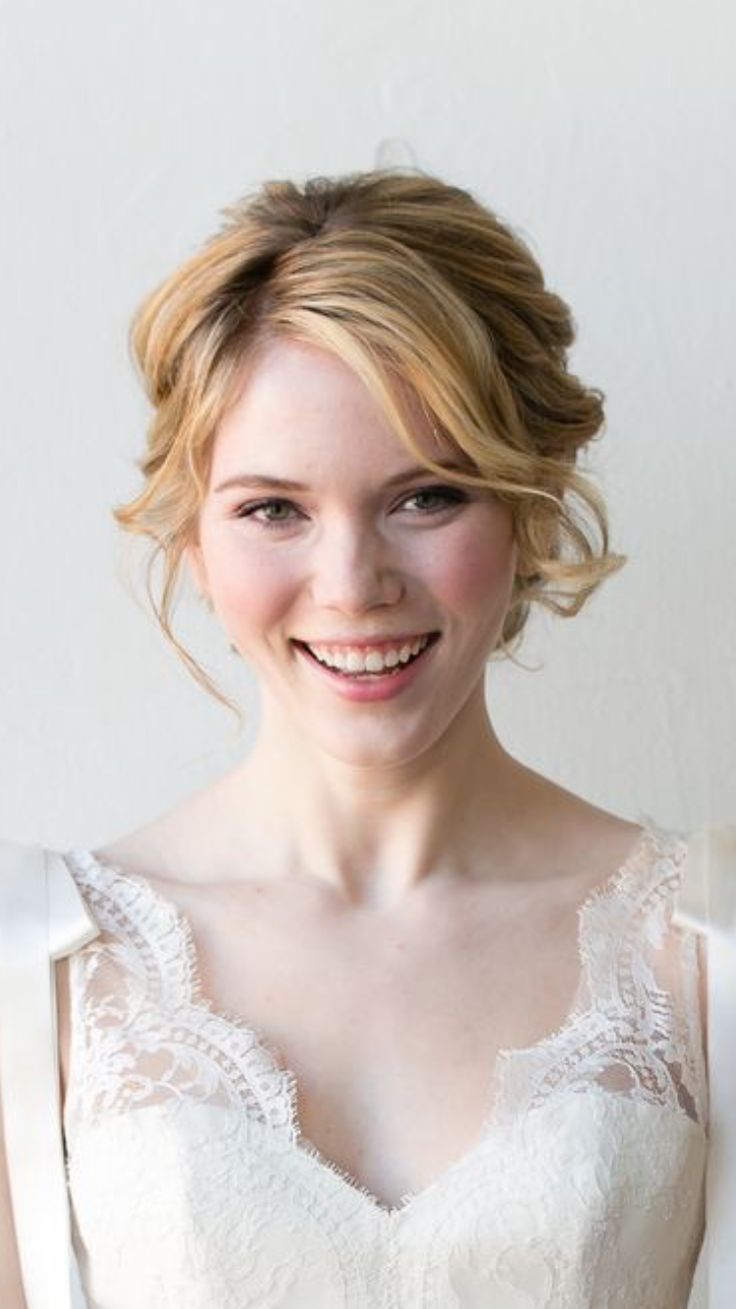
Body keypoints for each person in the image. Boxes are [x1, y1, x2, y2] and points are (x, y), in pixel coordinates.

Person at [0, 169, 708, 1308]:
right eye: (272, 508)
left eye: (425, 495)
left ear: (529, 506)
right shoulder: (36, 971)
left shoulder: (708, 952)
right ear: (193, 538)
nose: (352, 586)